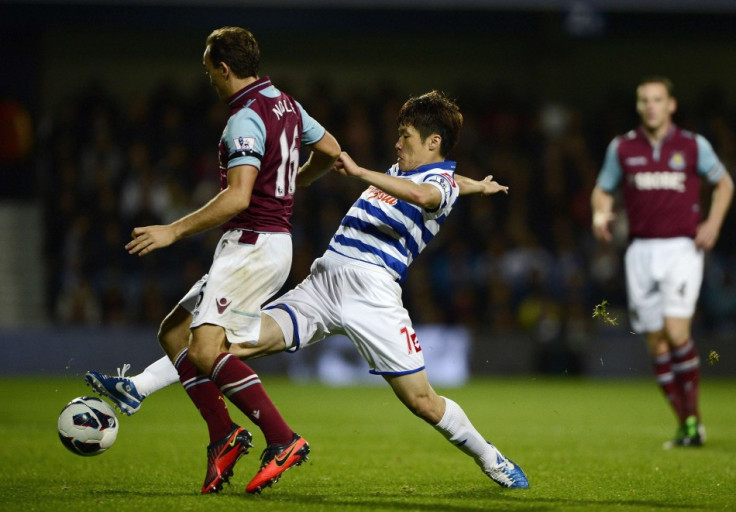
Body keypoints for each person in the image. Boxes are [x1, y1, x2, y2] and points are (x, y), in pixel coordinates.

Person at [89, 90, 529, 490]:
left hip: (371, 291)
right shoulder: (414, 171)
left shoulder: (437, 183)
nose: (398, 143)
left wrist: (359, 172)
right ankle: (138, 388)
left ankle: (491, 458)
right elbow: (440, 183)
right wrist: (481, 186)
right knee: (222, 342)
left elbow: (427, 196)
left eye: (406, 136)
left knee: (422, 401)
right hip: (322, 281)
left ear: (434, 142)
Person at [86, 26, 341, 494]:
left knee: (206, 351)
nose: (211, 82)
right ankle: (222, 435)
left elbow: (238, 197)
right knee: (174, 332)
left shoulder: (244, 118)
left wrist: (174, 229)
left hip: (252, 243)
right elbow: (330, 151)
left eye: (210, 73)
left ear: (223, 68)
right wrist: (296, 181)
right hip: (266, 241)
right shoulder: (285, 103)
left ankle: (282, 438)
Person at [591, 76, 733, 448]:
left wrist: (713, 224)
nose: (651, 105)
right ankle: (686, 423)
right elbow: (603, 190)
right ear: (638, 106)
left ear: (671, 105)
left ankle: (693, 420)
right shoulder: (622, 148)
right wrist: (599, 214)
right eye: (644, 100)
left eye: (657, 99)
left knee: (676, 332)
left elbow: (725, 184)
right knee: (656, 344)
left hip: (681, 249)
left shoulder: (691, 145)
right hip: (640, 252)